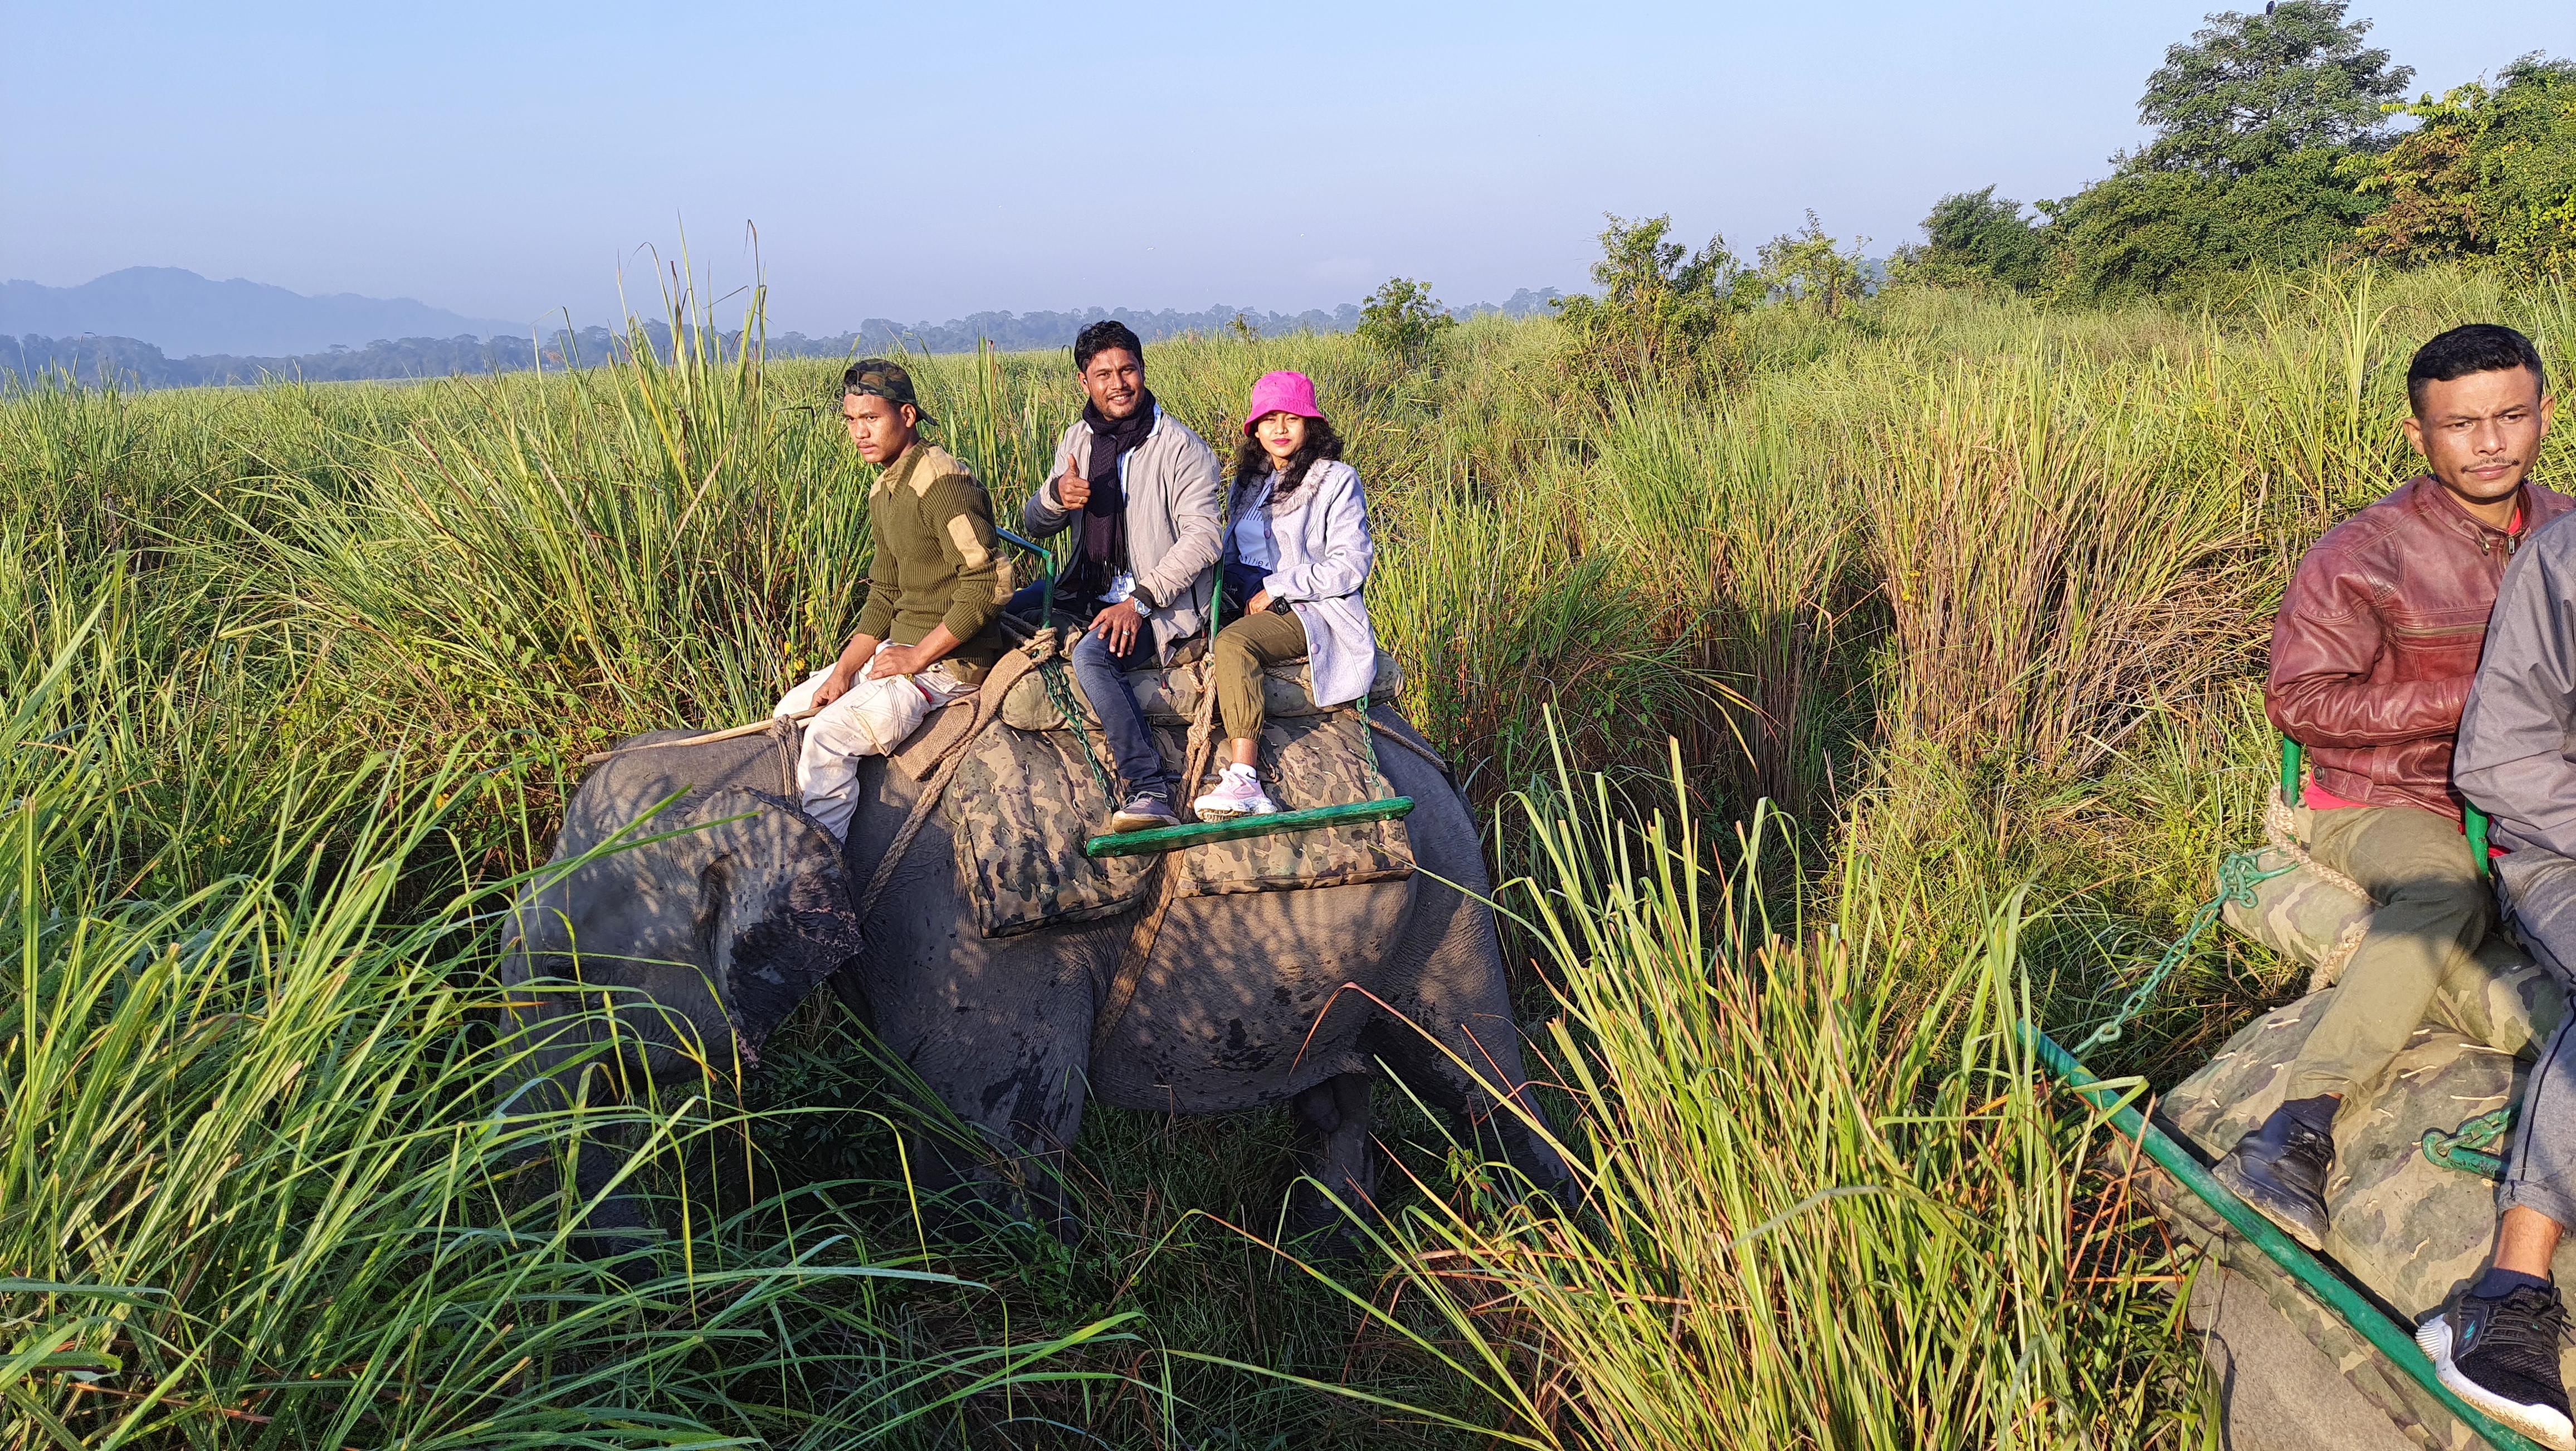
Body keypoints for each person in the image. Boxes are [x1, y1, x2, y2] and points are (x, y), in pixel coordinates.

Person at [2215, 324, 2572, 1259]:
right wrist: (2484, 689)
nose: (2489, 442)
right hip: (2387, 796)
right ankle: (2297, 1121)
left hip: (2535, 798)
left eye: (2509, 415)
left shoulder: (2566, 533)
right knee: (2443, 887)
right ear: (2418, 435)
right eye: (2459, 424)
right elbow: (2300, 700)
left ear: (2542, 411)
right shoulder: (2360, 552)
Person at [2429, 326, 2571, 1449]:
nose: (2491, 441)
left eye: (2509, 415)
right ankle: (2508, 1293)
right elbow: (2498, 761)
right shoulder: (2558, 565)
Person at [773, 359, 1013, 842]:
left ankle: (824, 878)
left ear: (907, 415)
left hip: (948, 665)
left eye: (871, 418)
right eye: (851, 420)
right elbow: (884, 594)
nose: (859, 432)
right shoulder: (884, 489)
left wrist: (919, 656)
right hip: (898, 653)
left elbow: (991, 579)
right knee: (788, 714)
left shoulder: (941, 483)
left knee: (827, 737)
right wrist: (843, 673)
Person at [1013, 320, 1223, 833]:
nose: (1118, 383)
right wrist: (1056, 498)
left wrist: (1142, 602)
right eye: (1103, 373)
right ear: (1084, 382)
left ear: (1143, 371)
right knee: (1004, 611)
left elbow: (1204, 538)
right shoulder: (1079, 440)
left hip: (1159, 602)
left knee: (1091, 656)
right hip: (1089, 585)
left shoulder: (1181, 448)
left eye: (1127, 369)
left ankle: (1148, 785)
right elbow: (1034, 524)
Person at [1193, 371, 1377, 821]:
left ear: (1310, 425)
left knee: (1234, 645)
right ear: (1255, 429)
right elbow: (1232, 551)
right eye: (1268, 419)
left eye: (1290, 418)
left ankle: (1244, 778)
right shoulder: (1249, 484)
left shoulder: (1336, 480)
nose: (1279, 429)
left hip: (1308, 607)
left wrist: (1278, 586)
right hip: (1245, 592)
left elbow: (1351, 565)